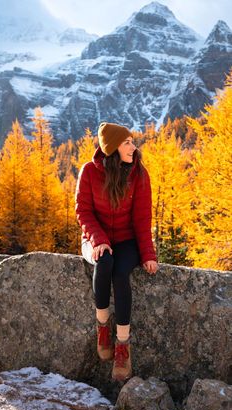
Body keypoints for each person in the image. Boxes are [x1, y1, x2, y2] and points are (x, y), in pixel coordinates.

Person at [75, 122, 158, 381]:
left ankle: (123, 345)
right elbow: (83, 211)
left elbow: (142, 220)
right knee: (105, 261)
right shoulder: (89, 172)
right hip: (95, 237)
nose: (133, 147)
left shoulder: (139, 174)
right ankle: (102, 326)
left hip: (126, 240)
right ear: (112, 149)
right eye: (127, 143)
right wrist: (98, 240)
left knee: (121, 274)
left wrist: (148, 254)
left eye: (133, 141)